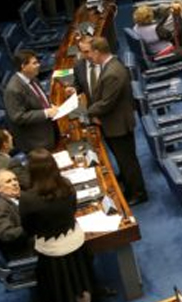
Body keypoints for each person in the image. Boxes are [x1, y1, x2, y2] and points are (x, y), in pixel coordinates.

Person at [19, 150, 96, 302]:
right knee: (82, 282)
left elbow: (28, 227)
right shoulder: (67, 185)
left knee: (49, 287)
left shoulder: (28, 198)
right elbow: (73, 209)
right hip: (74, 242)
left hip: (50, 250)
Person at [73, 37, 147, 205]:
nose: (89, 57)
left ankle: (138, 193)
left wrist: (83, 112)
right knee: (122, 159)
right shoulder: (110, 66)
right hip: (113, 122)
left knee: (127, 161)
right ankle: (129, 185)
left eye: (90, 53)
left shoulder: (112, 72)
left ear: (97, 52)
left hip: (118, 124)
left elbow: (106, 103)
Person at [4, 49, 60, 152]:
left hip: (49, 127)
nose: (38, 65)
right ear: (23, 66)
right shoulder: (13, 90)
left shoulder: (32, 77)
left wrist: (50, 105)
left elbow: (40, 97)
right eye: (34, 63)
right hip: (37, 140)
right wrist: (46, 113)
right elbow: (18, 117)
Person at [0, 169, 33, 262]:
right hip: (24, 250)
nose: (15, 183)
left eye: (15, 179)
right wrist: (32, 226)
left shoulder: (20, 197)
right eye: (8, 181)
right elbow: (6, 234)